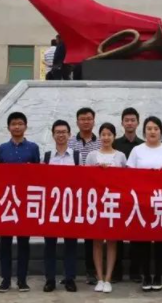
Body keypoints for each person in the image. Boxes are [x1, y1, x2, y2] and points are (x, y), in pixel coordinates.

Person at [127, 116, 162, 292]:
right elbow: (129, 175)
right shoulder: (137, 150)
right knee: (142, 241)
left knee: (160, 241)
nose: (152, 132)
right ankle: (145, 275)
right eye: (149, 128)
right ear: (144, 132)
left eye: (156, 128)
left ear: (160, 131)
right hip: (142, 203)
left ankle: (158, 274)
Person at [0, 112, 39, 293]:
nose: (17, 127)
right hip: (7, 200)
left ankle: (22, 280)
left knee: (23, 243)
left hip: (25, 201)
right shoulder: (2, 149)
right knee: (5, 243)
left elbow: (38, 174)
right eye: (13, 124)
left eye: (20, 123)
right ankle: (5, 279)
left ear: (25, 126)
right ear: (8, 127)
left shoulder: (33, 148)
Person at [86, 123, 128, 293]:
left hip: (113, 203)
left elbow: (125, 180)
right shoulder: (92, 156)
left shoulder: (121, 156)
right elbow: (86, 179)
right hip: (96, 203)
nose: (106, 137)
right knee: (96, 242)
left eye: (109, 134)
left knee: (111, 241)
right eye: (103, 134)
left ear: (114, 136)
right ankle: (99, 277)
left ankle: (108, 278)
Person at [43, 119, 79, 292]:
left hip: (71, 207)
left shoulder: (76, 157)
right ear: (53, 135)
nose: (61, 135)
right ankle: (50, 279)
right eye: (58, 132)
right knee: (50, 245)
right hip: (51, 207)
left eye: (64, 132)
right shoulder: (47, 157)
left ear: (69, 134)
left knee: (70, 244)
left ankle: (70, 278)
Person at [67, 107, 101, 285]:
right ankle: (69, 272)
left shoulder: (101, 142)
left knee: (91, 234)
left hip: (95, 195)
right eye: (82, 119)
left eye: (89, 119)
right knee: (71, 233)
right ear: (77, 122)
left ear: (94, 121)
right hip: (74, 194)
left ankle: (91, 270)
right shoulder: (70, 142)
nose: (86, 122)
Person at [111, 107, 143, 282]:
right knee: (117, 234)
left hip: (138, 196)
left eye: (133, 120)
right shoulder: (114, 144)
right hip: (118, 195)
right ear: (122, 123)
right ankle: (116, 272)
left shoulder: (143, 145)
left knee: (137, 234)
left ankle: (135, 271)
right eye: (127, 120)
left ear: (137, 122)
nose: (130, 123)